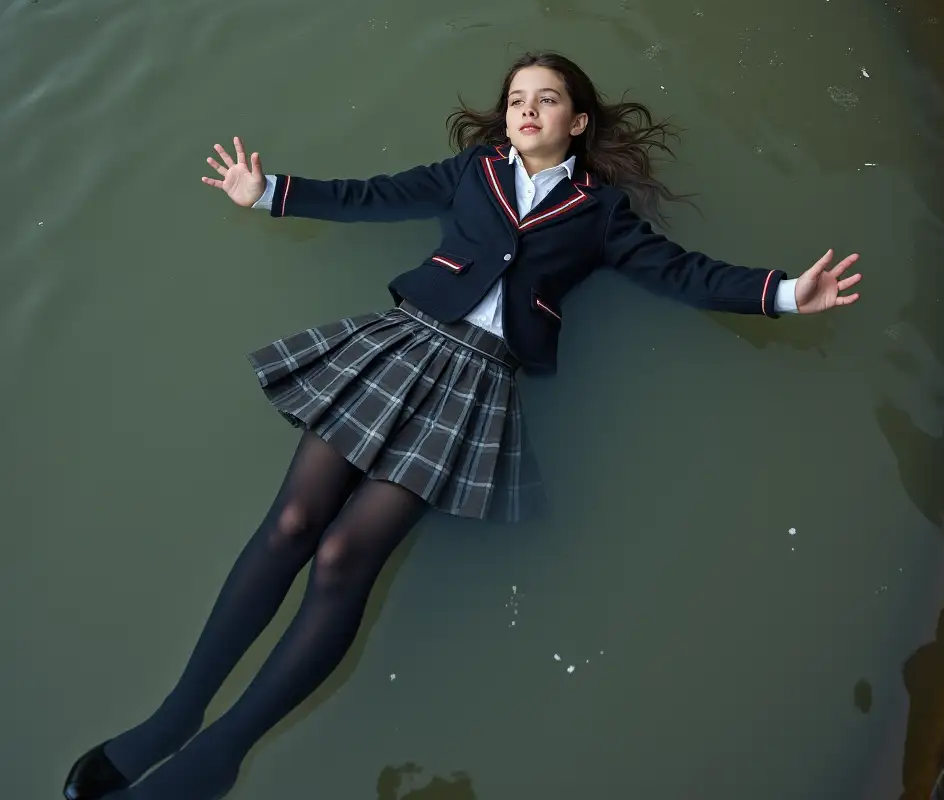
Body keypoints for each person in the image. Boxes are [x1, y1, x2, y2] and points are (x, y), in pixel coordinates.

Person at [63, 52, 861, 800]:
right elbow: (375, 195)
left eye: (546, 99)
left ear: (577, 121)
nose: (527, 109)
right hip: (400, 345)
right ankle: (171, 718)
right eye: (516, 99)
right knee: (294, 522)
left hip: (479, 384)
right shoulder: (472, 172)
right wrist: (268, 192)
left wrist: (788, 293)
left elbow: (680, 272)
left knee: (344, 557)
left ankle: (221, 749)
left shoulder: (602, 213)